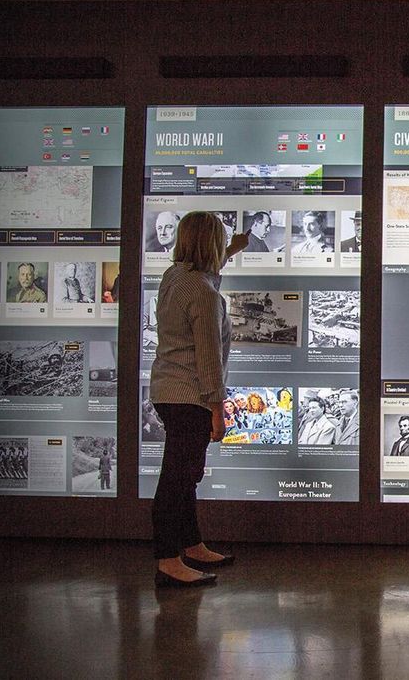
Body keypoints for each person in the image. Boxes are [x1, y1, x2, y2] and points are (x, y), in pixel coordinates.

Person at [149, 210, 248, 588]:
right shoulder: (205, 295)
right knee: (177, 479)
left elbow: (206, 268)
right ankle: (168, 560)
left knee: (186, 474)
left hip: (168, 390)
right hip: (191, 395)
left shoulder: (175, 277)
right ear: (212, 243)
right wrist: (218, 412)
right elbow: (209, 360)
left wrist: (232, 250)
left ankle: (191, 545)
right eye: (221, 240)